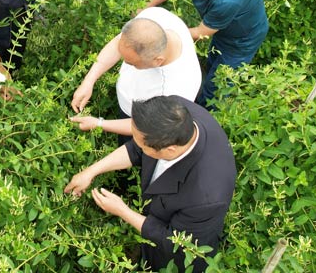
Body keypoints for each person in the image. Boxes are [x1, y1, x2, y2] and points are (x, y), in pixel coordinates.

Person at [65, 95, 236, 272]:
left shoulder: (207, 196)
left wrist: (122, 210)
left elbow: (174, 243)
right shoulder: (174, 111)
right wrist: (91, 171)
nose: (138, 145)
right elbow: (137, 148)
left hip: (178, 257)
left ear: (169, 150)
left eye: (144, 146)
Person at [147, 0, 268, 106]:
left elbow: (201, 32)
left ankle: (205, 113)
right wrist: (146, 6)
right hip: (223, 28)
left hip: (242, 39)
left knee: (219, 84)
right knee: (212, 62)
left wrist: (159, 33)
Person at [70, 7, 201, 137]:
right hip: (129, 104)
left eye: (132, 63)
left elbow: (148, 127)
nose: (125, 64)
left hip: (139, 124)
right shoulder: (154, 17)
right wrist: (89, 80)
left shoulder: (177, 90)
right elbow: (118, 43)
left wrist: (99, 124)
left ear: (157, 61)